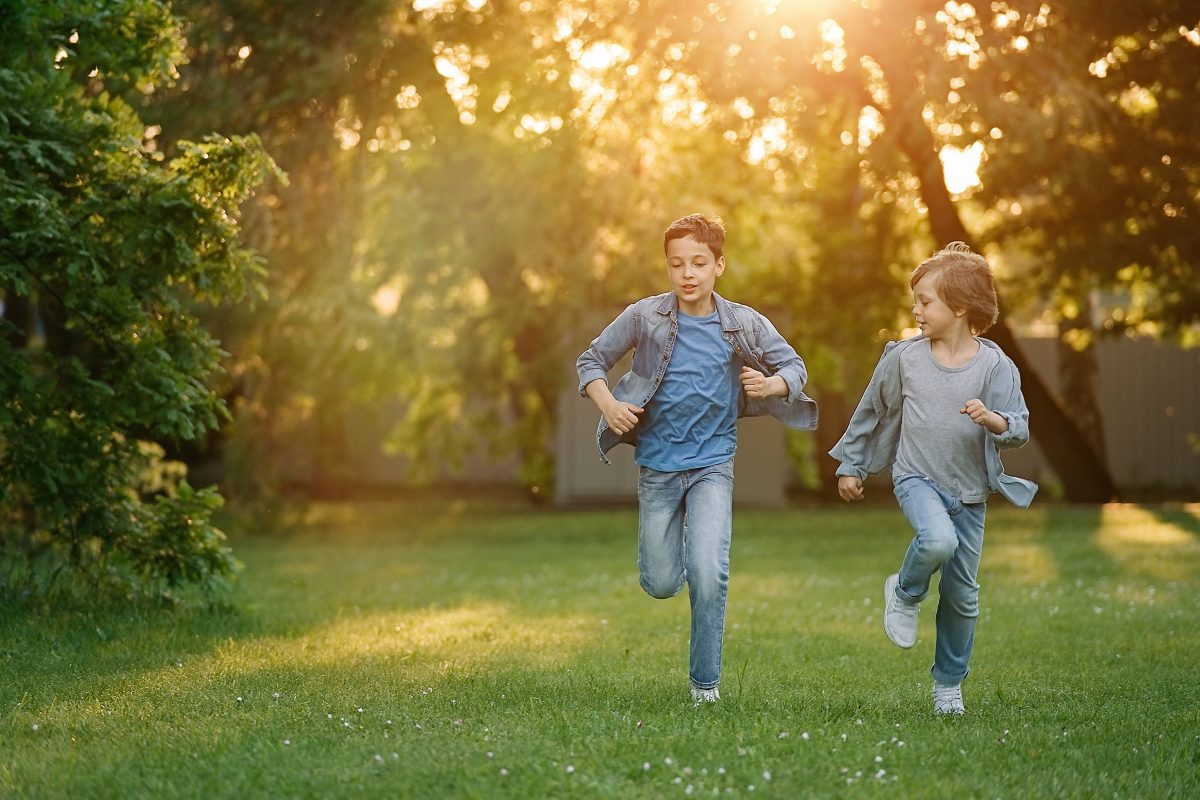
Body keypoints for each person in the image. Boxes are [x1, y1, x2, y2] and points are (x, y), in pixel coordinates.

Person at [576, 213, 817, 703]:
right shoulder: (645, 316)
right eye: (677, 264)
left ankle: (705, 686)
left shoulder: (743, 322)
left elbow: (795, 365)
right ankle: (687, 552)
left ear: (718, 265)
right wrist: (610, 404)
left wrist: (773, 383)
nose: (688, 274)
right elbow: (591, 361)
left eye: (699, 263)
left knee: (709, 572)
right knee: (662, 582)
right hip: (659, 467)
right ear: (667, 268)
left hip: (713, 464)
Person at [829, 241, 1038, 716]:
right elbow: (870, 412)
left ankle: (948, 685)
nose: (916, 309)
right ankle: (904, 593)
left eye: (926, 301)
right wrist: (852, 465)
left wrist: (993, 420)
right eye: (916, 300)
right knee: (936, 540)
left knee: (963, 597)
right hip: (917, 477)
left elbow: (1019, 426)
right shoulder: (905, 358)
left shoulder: (995, 365)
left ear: (960, 307)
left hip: (970, 493)